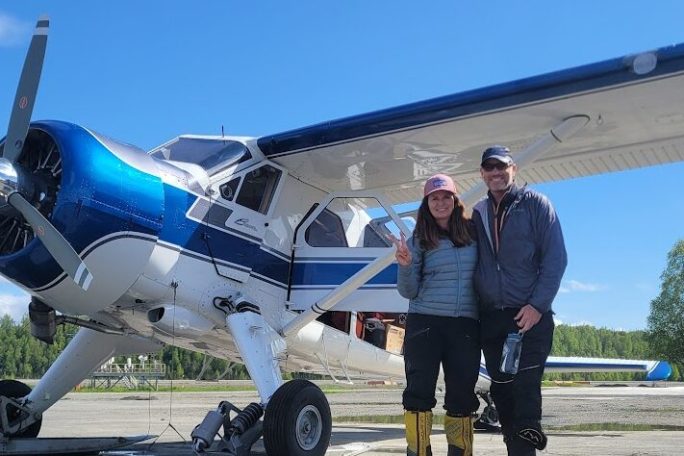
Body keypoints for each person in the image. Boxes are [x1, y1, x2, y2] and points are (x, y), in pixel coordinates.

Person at [472, 146, 567, 456]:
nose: (496, 173)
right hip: (494, 317)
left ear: (513, 169)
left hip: (530, 316)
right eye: (489, 168)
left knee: (525, 386)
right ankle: (518, 449)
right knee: (502, 391)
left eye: (501, 167)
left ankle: (525, 444)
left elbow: (556, 259)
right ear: (482, 174)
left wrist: (538, 305)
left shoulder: (536, 204)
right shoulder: (477, 213)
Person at [393, 174, 480, 456]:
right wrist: (405, 266)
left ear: (455, 201)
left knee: (463, 395)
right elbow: (408, 291)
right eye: (434, 198)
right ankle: (418, 452)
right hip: (425, 322)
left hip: (466, 324)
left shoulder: (473, 233)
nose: (440, 203)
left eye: (446, 197)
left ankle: (461, 451)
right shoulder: (419, 239)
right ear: (426, 203)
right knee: (418, 393)